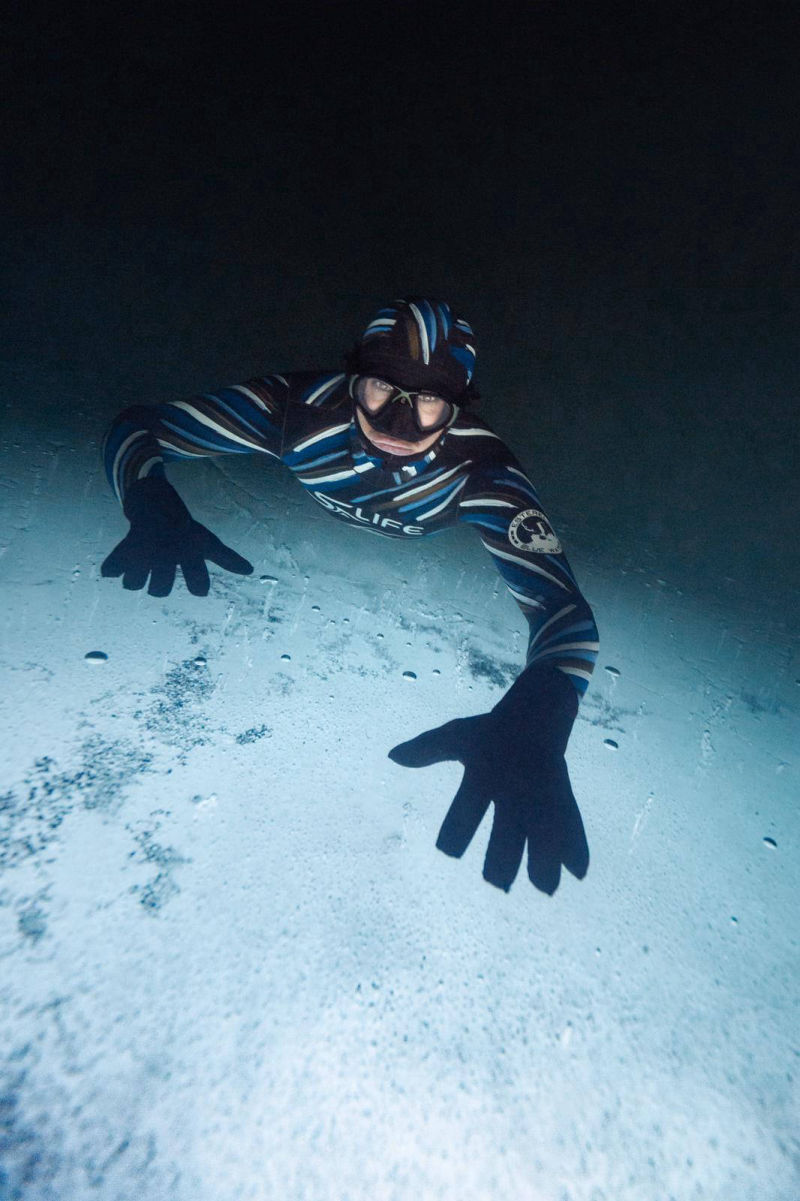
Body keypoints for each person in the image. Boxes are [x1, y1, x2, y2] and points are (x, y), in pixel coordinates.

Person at [102, 298, 599, 893]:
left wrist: (541, 711)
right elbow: (140, 426)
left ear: (459, 409)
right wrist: (147, 497)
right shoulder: (297, 411)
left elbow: (563, 609)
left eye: (429, 403)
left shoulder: (480, 471)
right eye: (381, 391)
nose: (396, 424)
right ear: (351, 381)